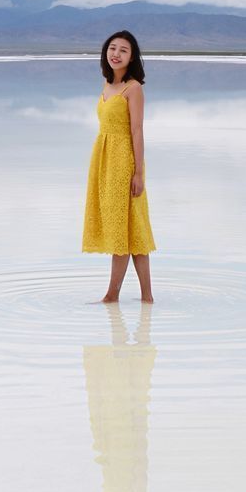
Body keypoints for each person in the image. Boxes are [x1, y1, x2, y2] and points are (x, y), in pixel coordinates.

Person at [82, 30, 156, 303]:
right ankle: (145, 298)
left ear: (132, 56)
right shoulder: (106, 84)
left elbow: (137, 130)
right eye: (112, 48)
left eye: (123, 50)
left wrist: (138, 173)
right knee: (128, 229)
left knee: (127, 227)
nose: (116, 53)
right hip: (105, 161)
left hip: (124, 160)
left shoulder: (133, 88)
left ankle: (113, 295)